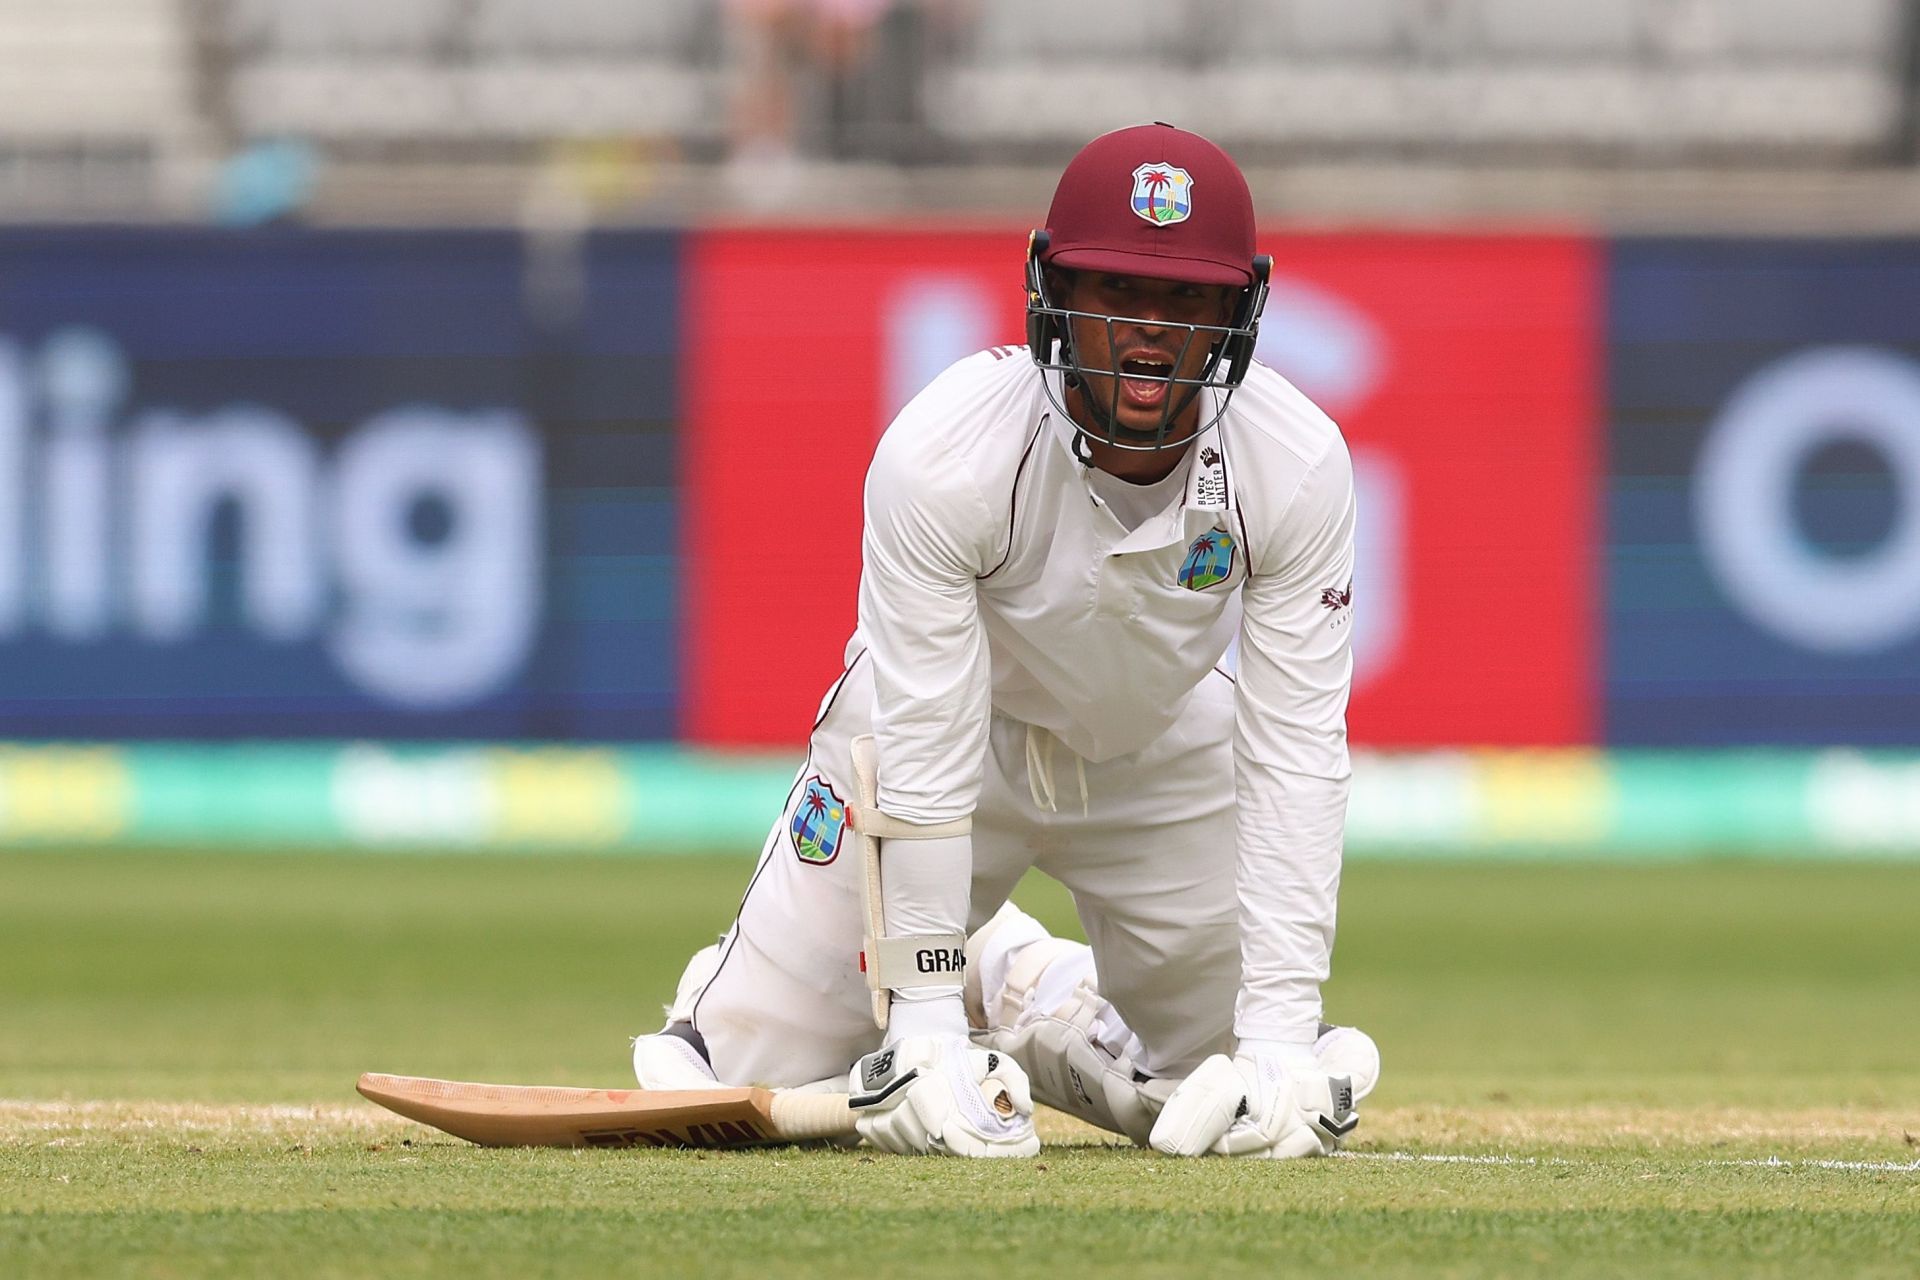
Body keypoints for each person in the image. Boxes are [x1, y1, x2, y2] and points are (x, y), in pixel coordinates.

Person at [634, 122, 1379, 1159]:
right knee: (735, 1081)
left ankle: (1026, 985)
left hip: (1155, 751)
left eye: (1184, 301)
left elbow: (1298, 746)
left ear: (1234, 314)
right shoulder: (949, 453)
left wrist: (1284, 1032)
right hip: (958, 741)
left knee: (1225, 1090)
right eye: (1117, 293)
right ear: (1052, 289)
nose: (1149, 333)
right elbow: (926, 734)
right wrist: (925, 1025)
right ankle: (923, 985)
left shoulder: (1293, 463)